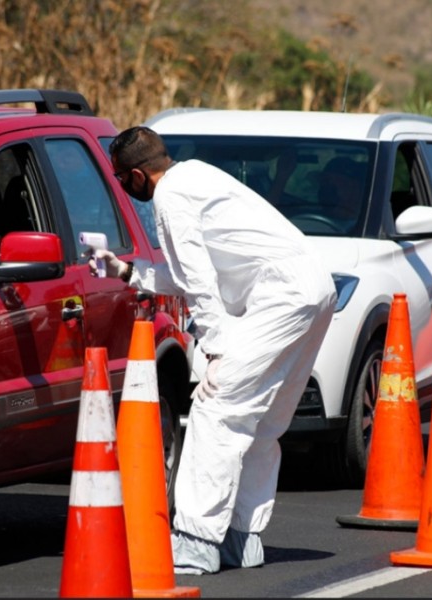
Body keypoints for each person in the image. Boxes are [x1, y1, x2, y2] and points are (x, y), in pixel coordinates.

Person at [93, 126, 336, 575]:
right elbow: (194, 273)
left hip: (281, 295)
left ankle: (195, 542)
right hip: (314, 289)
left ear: (138, 177)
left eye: (121, 179)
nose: (123, 188)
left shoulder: (170, 199)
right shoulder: (196, 176)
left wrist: (216, 351)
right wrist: (129, 272)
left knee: (215, 409)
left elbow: (200, 282)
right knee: (262, 422)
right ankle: (242, 541)